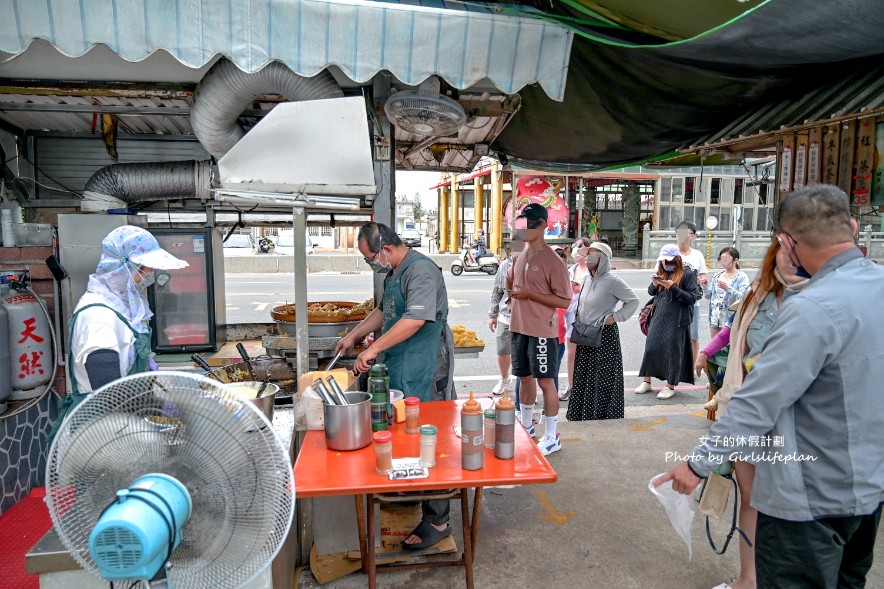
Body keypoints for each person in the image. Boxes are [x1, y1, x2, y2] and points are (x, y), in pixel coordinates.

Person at [657, 185, 884, 588]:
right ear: (851, 227)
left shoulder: (811, 307)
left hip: (807, 503)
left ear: (785, 242)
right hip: (868, 493)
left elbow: (757, 404)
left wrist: (696, 465)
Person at [692, 238, 809, 589]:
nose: (795, 258)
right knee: (751, 498)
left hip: (794, 423)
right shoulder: (759, 289)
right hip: (747, 411)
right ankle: (748, 579)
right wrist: (706, 353)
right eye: (789, 248)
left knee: (788, 508)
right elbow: (734, 328)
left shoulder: (819, 298)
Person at [334, 222, 455, 550]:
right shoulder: (395, 273)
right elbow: (384, 312)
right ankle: (412, 487)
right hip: (401, 362)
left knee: (430, 433)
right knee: (405, 431)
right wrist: (354, 335)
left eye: (370, 256)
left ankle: (438, 519)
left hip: (425, 363)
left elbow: (414, 319)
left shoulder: (422, 272)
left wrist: (374, 348)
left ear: (386, 248)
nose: (371, 263)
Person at [48, 226, 188, 444]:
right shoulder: (98, 318)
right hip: (95, 435)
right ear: (121, 267)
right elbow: (109, 391)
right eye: (143, 271)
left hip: (120, 425)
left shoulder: (119, 306)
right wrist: (161, 405)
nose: (147, 277)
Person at [506, 204, 572, 456]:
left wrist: (530, 293)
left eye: (530, 223)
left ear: (543, 225)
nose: (525, 228)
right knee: (523, 376)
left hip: (542, 331)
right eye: (522, 222)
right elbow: (512, 280)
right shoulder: (520, 253)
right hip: (519, 326)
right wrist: (512, 286)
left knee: (546, 381)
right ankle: (526, 425)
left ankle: (552, 435)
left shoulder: (553, 261)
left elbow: (564, 301)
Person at [566, 242, 638, 421]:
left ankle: (602, 415)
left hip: (604, 335)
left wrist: (615, 317)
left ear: (603, 259)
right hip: (585, 333)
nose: (589, 257)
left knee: (603, 378)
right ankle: (584, 414)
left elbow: (633, 301)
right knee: (585, 375)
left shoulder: (613, 281)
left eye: (594, 254)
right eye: (588, 254)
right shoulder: (588, 278)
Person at [634, 243, 702, 400]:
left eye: (670, 261)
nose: (667, 264)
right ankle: (646, 380)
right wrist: (655, 283)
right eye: (665, 261)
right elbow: (651, 292)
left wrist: (673, 287)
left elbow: (692, 298)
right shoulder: (661, 270)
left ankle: (670, 385)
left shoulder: (688, 273)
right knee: (651, 347)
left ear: (677, 259)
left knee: (672, 351)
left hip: (677, 318)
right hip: (658, 315)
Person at [560, 236, 592, 402]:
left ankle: (585, 387)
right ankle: (571, 386)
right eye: (573, 246)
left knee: (586, 353)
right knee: (571, 353)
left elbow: (599, 292)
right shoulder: (570, 270)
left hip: (587, 318)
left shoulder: (592, 270)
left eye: (578, 246)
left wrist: (582, 288)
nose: (575, 249)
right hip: (570, 317)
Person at [674, 220, 708, 362]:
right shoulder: (669, 252)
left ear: (692, 236)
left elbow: (704, 275)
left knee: (693, 336)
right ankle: (674, 366)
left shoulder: (697, 255)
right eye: (678, 232)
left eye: (685, 232)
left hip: (692, 304)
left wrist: (701, 280)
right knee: (673, 336)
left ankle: (693, 367)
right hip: (673, 302)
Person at [705, 246, 750, 338]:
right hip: (715, 318)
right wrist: (704, 286)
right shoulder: (717, 275)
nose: (722, 262)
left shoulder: (741, 276)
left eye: (725, 259)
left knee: (728, 349)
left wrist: (728, 288)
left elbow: (744, 296)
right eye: (720, 259)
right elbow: (708, 296)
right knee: (714, 348)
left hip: (730, 319)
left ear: (735, 260)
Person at [488, 248, 514, 396]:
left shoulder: (534, 264)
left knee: (525, 353)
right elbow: (497, 291)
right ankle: (504, 379)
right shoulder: (505, 265)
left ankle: (527, 386)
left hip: (527, 318)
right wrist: (493, 314)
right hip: (505, 315)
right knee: (503, 350)